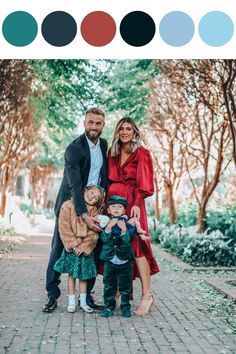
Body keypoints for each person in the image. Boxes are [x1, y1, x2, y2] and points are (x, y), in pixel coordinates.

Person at [43, 107, 107, 313]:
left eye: (98, 123)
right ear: (84, 123)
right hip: (70, 205)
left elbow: (102, 178)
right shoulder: (74, 149)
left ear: (103, 125)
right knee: (58, 250)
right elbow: (74, 185)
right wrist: (84, 215)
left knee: (93, 249)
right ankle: (52, 295)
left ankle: (85, 296)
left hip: (94, 206)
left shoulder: (104, 145)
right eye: (91, 123)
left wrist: (99, 209)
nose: (94, 127)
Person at [107, 117, 160, 316]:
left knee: (137, 244)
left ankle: (147, 295)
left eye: (128, 128)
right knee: (117, 245)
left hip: (133, 203)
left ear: (134, 131)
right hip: (112, 205)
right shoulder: (111, 153)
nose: (124, 132)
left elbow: (145, 183)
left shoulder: (142, 153)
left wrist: (137, 204)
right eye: (121, 128)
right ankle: (120, 291)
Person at [53, 185, 105, 313]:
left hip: (84, 250)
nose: (92, 196)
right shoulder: (68, 205)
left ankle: (83, 302)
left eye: (95, 197)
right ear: (85, 190)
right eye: (91, 192)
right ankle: (71, 302)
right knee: (71, 275)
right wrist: (73, 244)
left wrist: (84, 246)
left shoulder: (94, 212)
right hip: (72, 248)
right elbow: (64, 227)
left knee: (84, 276)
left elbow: (94, 233)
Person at [100, 195, 135, 318]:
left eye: (119, 207)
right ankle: (109, 306)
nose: (116, 209)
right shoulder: (105, 224)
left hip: (125, 260)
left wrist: (124, 230)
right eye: (113, 206)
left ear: (124, 211)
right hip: (110, 260)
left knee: (125, 286)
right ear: (108, 210)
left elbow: (128, 241)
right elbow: (103, 239)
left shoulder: (128, 225)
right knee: (109, 284)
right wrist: (109, 228)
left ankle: (125, 306)